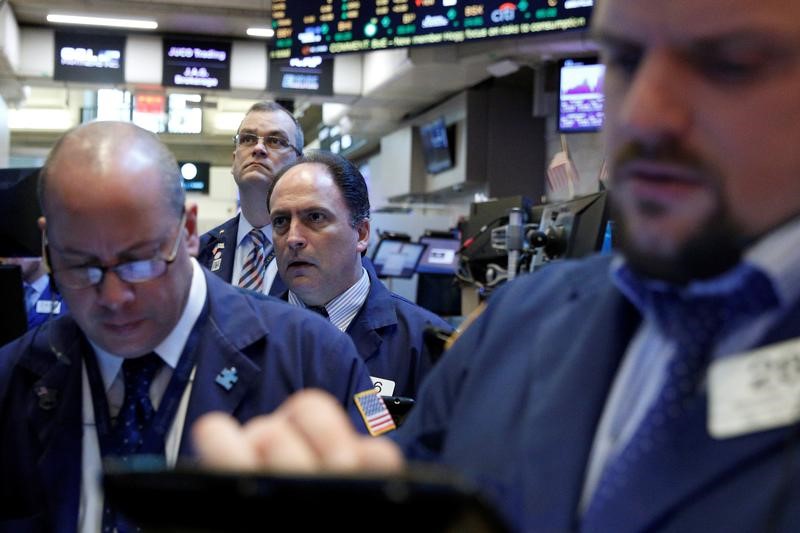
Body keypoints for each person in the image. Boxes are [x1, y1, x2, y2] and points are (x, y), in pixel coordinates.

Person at [192, 0, 800, 531]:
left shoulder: (425, 336)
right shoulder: (520, 323)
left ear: (363, 233)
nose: (644, 113)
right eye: (626, 59)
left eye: (729, 62)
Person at [0, 121, 374, 532]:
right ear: (47, 245)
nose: (112, 297)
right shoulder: (12, 376)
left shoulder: (319, 359)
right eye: (79, 266)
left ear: (189, 230)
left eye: (138, 261)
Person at [267, 150, 453, 399]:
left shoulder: (426, 343)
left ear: (362, 234)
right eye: (280, 221)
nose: (293, 238)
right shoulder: (248, 334)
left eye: (315, 217)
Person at [197, 101, 302, 296]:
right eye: (247, 139)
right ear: (233, 160)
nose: (259, 148)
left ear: (298, 164)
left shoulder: (320, 250)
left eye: (275, 141)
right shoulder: (199, 254)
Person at [0, 256, 67, 329]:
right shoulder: (5, 293)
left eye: (21, 252)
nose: (13, 259)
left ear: (39, 256)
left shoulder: (66, 294)